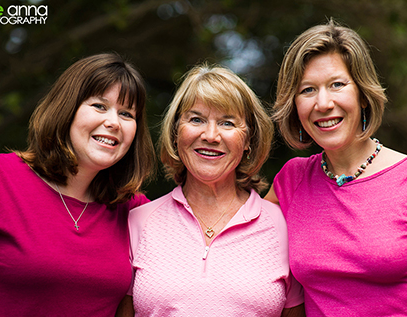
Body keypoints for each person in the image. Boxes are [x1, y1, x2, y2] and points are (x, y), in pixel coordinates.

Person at [266, 19, 407, 316]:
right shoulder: (291, 180)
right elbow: (238, 240)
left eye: (337, 84)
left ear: (362, 93)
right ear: (294, 105)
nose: (323, 103)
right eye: (307, 90)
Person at [0, 53, 155, 316]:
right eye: (100, 106)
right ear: (67, 108)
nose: (114, 122)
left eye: (126, 113)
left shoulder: (134, 211)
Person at [125, 64, 304, 316]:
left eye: (227, 123)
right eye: (196, 119)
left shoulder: (282, 225)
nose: (210, 135)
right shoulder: (139, 220)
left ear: (248, 142)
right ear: (176, 133)